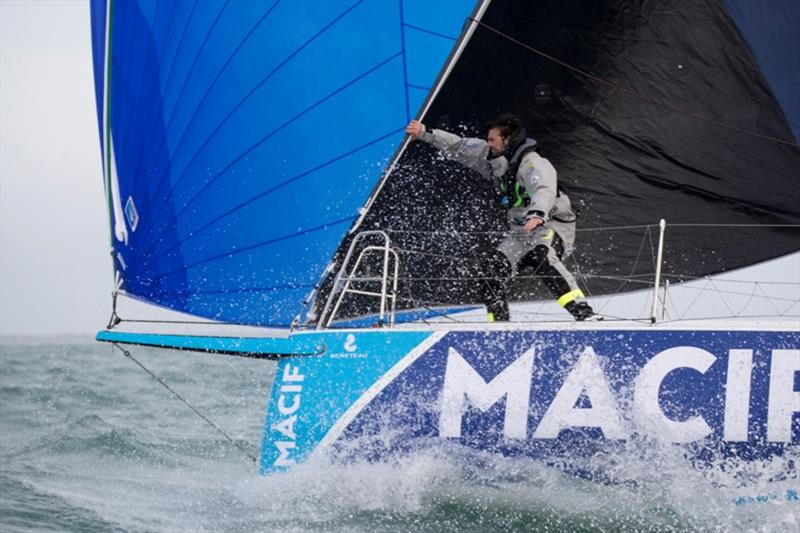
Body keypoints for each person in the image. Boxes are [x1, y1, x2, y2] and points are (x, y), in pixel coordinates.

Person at [405, 113, 599, 322]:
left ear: (507, 140)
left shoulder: (532, 163)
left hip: (551, 225)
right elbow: (459, 146)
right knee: (491, 268)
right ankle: (498, 323)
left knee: (542, 256)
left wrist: (537, 214)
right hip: (521, 232)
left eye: (492, 140)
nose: (488, 144)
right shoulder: (490, 156)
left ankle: (584, 314)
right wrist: (424, 133)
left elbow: (544, 190)